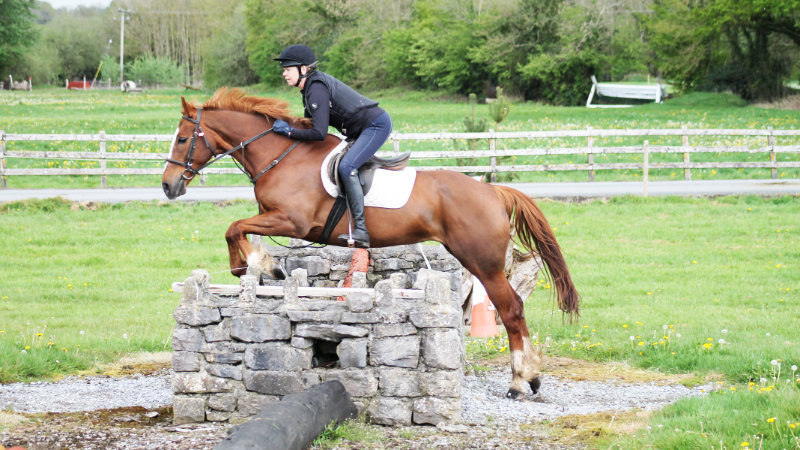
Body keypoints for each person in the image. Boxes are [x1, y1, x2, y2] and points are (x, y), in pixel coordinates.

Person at [272, 44, 391, 249]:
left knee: (346, 167)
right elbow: (311, 127)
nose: (284, 73)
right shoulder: (310, 89)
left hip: (375, 126)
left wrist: (289, 132)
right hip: (359, 130)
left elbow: (318, 133)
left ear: (303, 69)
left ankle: (361, 230)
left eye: (288, 69)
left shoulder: (316, 88)